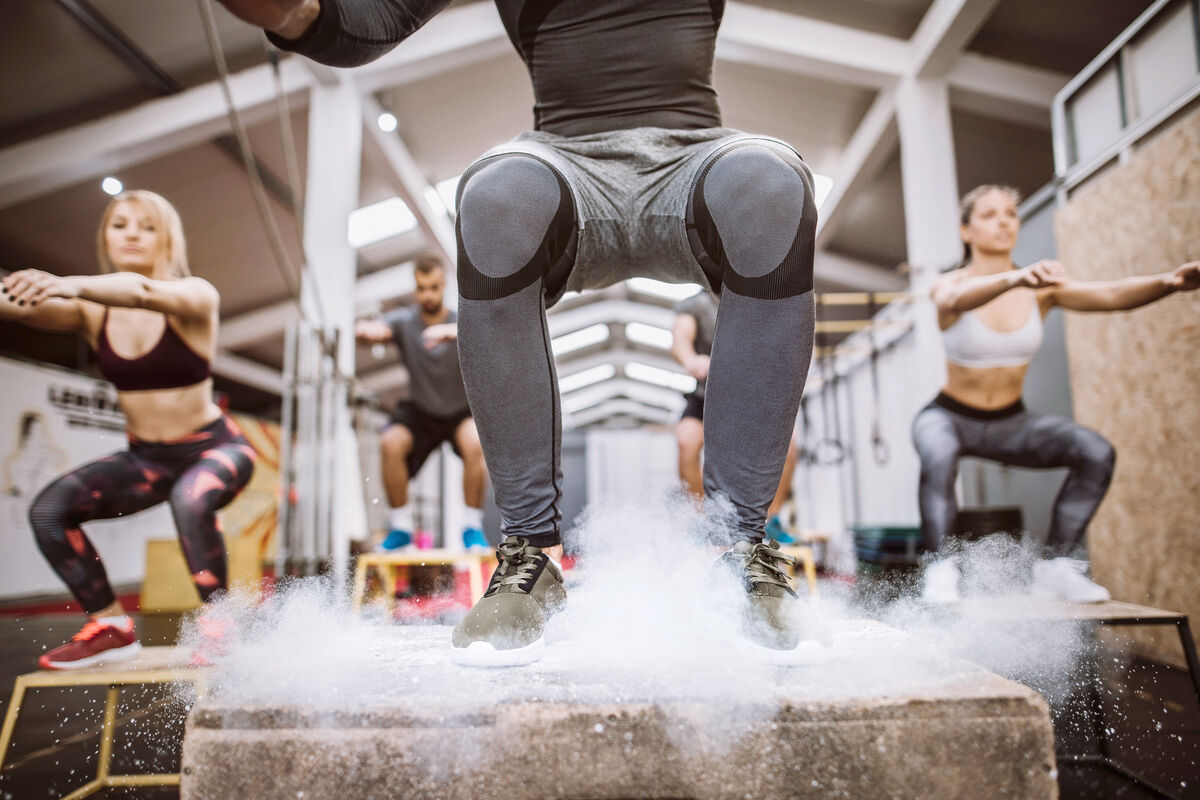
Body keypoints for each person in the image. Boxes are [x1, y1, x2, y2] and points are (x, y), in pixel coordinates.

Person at [218, 0, 819, 666]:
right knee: (495, 195)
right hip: (563, 161)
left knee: (769, 182)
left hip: (693, 157)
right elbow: (365, 22)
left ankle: (741, 552)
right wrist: (295, 12)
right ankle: (531, 558)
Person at [0, 190, 256, 669]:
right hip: (147, 460)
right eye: (120, 225)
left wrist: (64, 283)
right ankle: (112, 625)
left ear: (167, 239)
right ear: (106, 238)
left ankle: (222, 627)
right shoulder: (91, 312)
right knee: (49, 512)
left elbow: (140, 292)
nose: (133, 234)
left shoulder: (195, 295)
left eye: (147, 225)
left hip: (215, 449)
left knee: (191, 498)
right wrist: (28, 289)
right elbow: (15, 305)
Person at [915, 184, 1200, 604]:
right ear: (966, 230)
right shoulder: (949, 284)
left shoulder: (1041, 290)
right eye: (989, 215)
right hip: (948, 418)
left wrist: (1169, 282)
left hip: (1012, 422)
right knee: (937, 453)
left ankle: (1057, 566)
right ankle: (940, 569)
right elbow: (956, 298)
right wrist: (1015, 277)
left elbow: (1110, 294)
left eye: (1010, 214)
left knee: (1095, 451)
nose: (1003, 222)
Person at [355, 255, 488, 551]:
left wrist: (455, 332)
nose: (428, 295)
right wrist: (366, 334)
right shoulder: (404, 321)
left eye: (434, 287)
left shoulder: (460, 321)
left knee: (476, 444)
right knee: (390, 443)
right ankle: (401, 528)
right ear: (415, 288)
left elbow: (489, 333)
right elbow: (377, 331)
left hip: (458, 410)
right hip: (421, 410)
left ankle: (471, 527)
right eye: (421, 288)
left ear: (443, 286)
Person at [671, 290, 801, 543]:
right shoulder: (695, 303)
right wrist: (690, 360)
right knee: (686, 441)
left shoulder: (761, 295)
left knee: (790, 450)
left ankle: (769, 522)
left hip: (753, 397)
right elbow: (680, 337)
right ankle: (703, 520)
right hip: (708, 395)